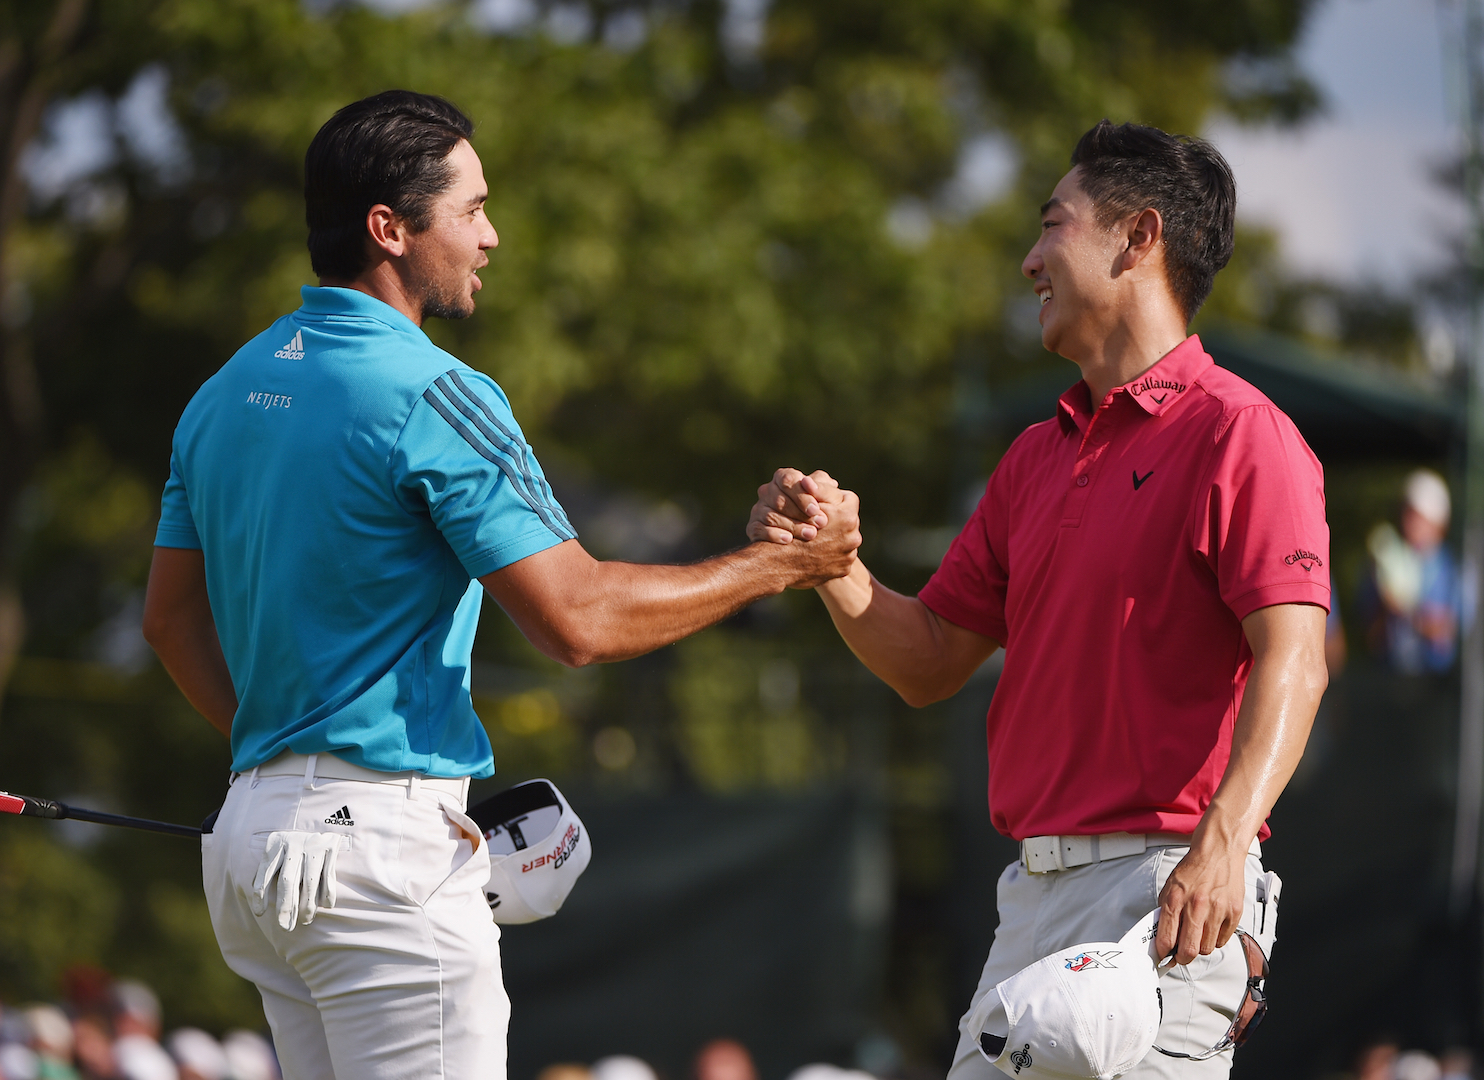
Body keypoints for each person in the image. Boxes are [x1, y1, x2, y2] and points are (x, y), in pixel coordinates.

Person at [141, 90, 860, 1080]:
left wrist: (287, 769)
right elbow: (577, 620)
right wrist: (781, 566)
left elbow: (167, 621)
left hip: (250, 847)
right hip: (377, 863)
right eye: (472, 210)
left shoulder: (220, 394)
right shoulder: (436, 390)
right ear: (389, 228)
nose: (490, 236)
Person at [751, 120, 1329, 1078]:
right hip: (1029, 901)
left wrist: (1223, 844)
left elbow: (1295, 661)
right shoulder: (1031, 457)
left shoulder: (1242, 433)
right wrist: (830, 568)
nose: (1028, 260)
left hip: (1167, 894)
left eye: (1052, 224)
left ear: (1138, 237)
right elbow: (927, 661)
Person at [1363, 468, 1464, 674]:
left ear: (1438, 522)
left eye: (1418, 516)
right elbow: (1370, 635)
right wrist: (1385, 605)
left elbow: (1452, 629)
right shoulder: (1384, 561)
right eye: (1407, 513)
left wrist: (1405, 611)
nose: (1409, 522)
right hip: (1390, 677)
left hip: (1439, 684)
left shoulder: (1455, 568)